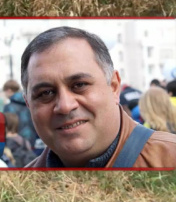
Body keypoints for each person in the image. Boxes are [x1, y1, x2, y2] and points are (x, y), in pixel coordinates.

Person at [18, 26, 176, 168]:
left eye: (79, 85)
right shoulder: (20, 188)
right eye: (46, 93)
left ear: (114, 87)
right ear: (29, 105)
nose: (65, 106)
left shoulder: (169, 157)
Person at [1, 79, 41, 153]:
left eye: (4, 92)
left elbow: (7, 126)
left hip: (16, 143)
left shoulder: (9, 107)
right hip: (34, 142)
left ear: (9, 90)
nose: (5, 94)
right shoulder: (30, 102)